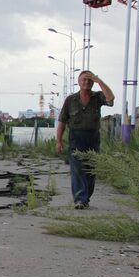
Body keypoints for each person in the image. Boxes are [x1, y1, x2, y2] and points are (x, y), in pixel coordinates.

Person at [56, 70, 114, 209]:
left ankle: (85, 198)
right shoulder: (71, 100)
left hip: (93, 137)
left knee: (90, 170)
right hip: (76, 137)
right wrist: (58, 141)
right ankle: (80, 200)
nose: (86, 82)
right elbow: (62, 122)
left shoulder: (98, 97)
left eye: (89, 80)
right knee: (77, 169)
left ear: (93, 82)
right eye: (84, 80)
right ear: (79, 82)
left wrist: (99, 81)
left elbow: (110, 99)